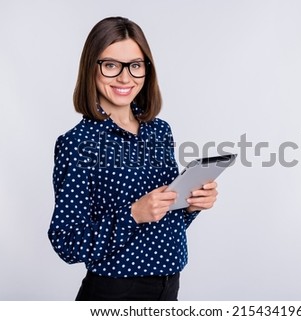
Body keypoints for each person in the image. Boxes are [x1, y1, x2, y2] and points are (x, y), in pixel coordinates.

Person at [48, 16, 218, 301]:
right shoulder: (77, 144)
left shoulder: (159, 130)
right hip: (115, 292)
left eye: (135, 66)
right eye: (111, 65)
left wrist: (190, 204)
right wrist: (133, 215)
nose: (125, 78)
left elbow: (163, 218)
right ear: (92, 68)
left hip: (169, 285)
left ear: (146, 70)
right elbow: (66, 243)